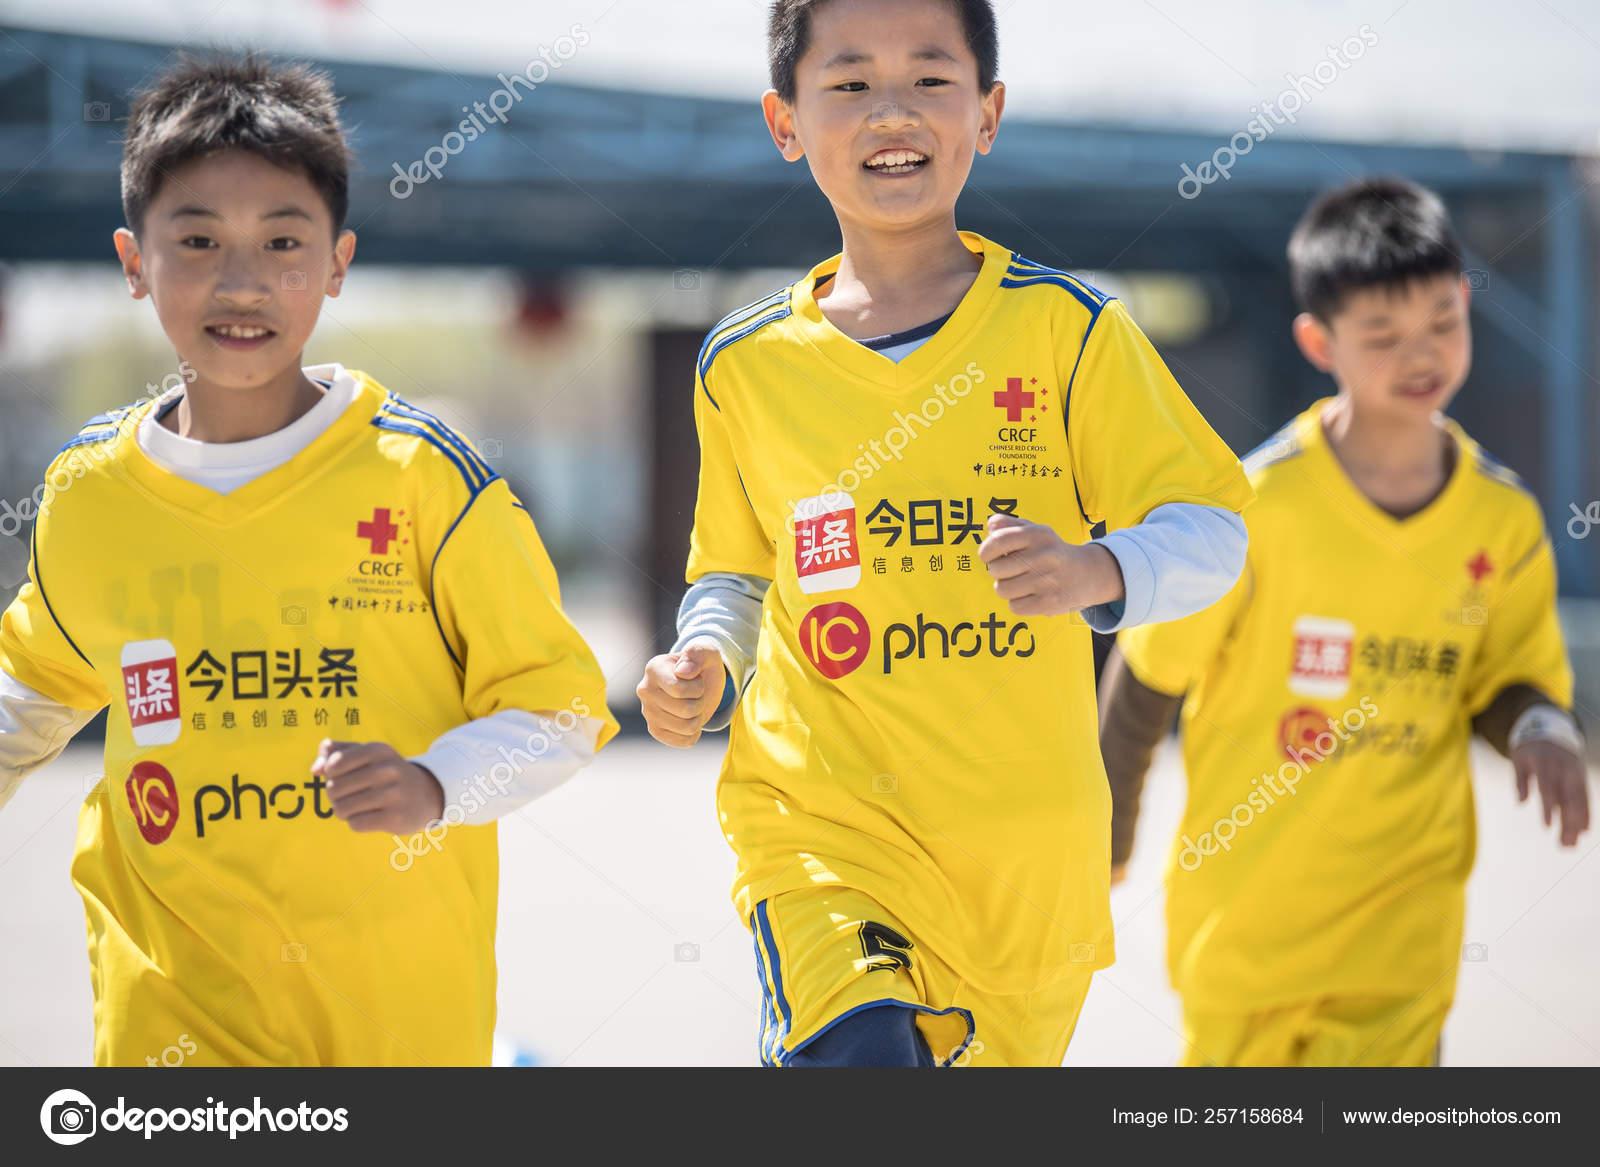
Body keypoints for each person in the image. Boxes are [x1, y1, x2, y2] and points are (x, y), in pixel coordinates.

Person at [637, 0, 1253, 1066]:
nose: (893, 113)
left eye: (930, 79)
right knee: (862, 1055)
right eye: (849, 84)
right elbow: (735, 574)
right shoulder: (743, 364)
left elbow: (1216, 530)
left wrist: (1098, 568)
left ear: (988, 114)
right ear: (786, 122)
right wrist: (705, 658)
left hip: (1023, 865)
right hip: (823, 832)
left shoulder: (1069, 331)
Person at [0, 53, 616, 1066]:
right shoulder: (88, 493)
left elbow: (563, 710)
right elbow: (33, 688)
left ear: (337, 262)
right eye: (197, 240)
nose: (242, 281)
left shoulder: (423, 477)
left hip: (393, 1030)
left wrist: (434, 783)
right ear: (134, 260)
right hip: (168, 1024)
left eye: (283, 242)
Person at [1100, 176, 1589, 1066]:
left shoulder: (1503, 520)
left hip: (1403, 942)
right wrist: (1109, 829)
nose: (1421, 353)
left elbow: (1508, 677)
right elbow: (1148, 675)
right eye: (1384, 335)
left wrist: (1542, 728)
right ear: (1319, 342)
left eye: (1442, 321)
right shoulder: (1254, 507)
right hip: (1245, 936)